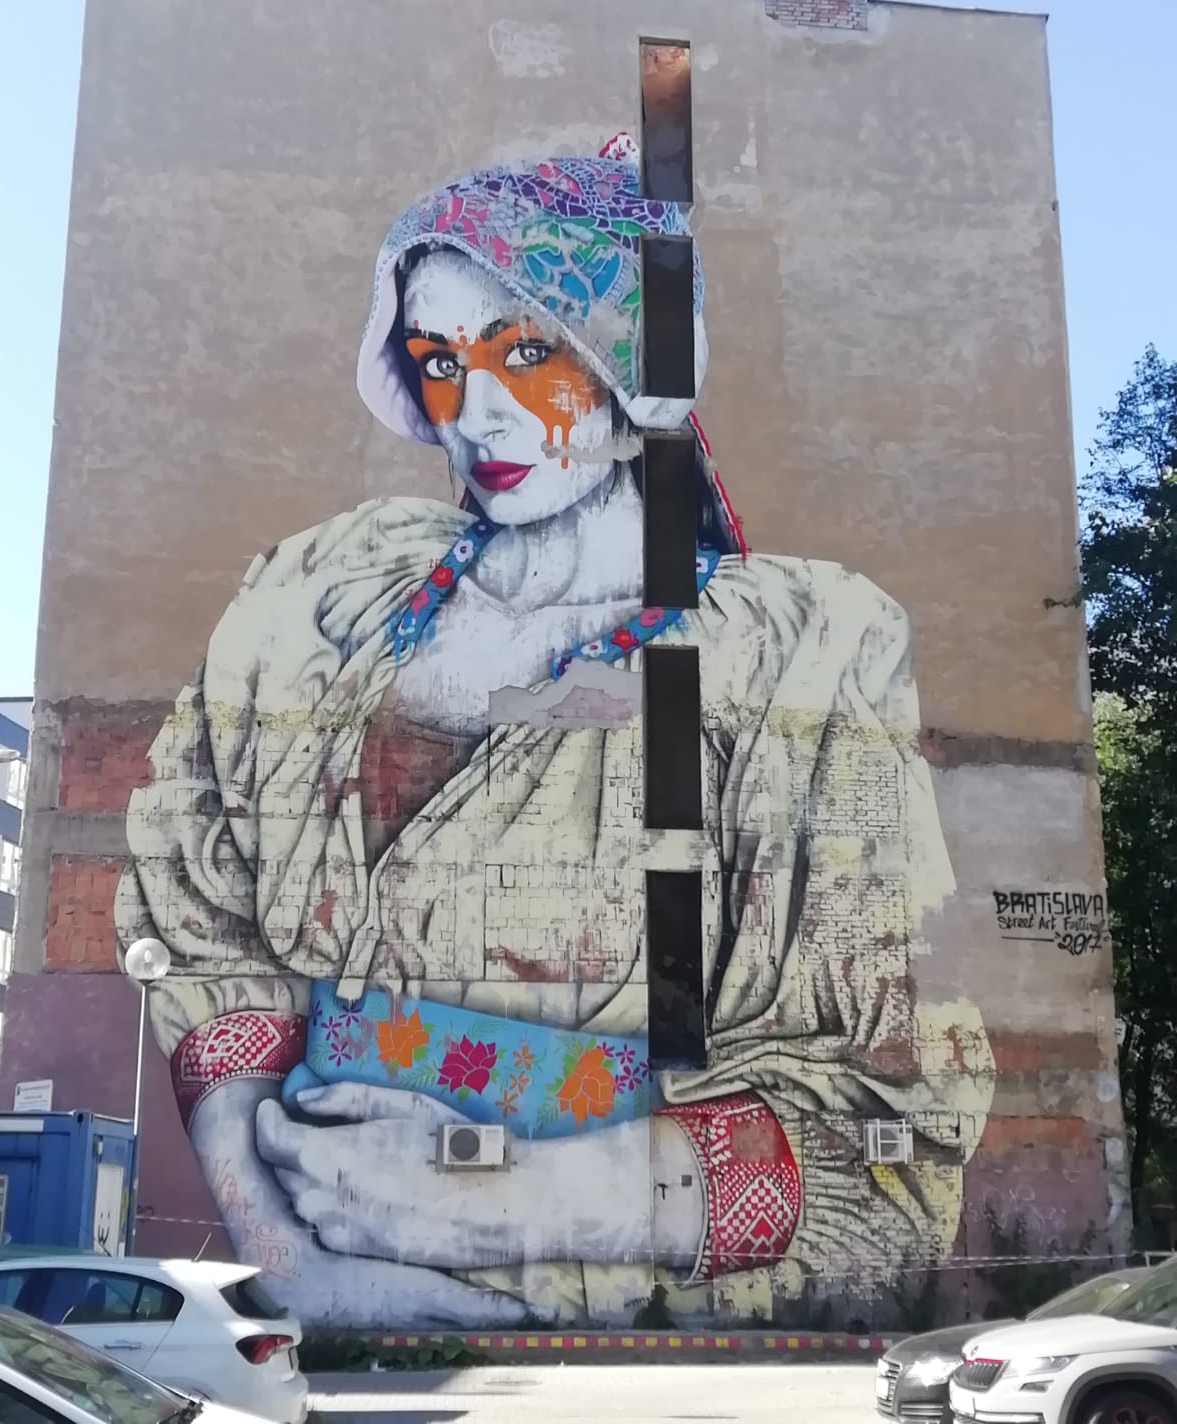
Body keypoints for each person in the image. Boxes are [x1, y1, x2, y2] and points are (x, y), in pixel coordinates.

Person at [116, 140, 995, 1329]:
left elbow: (891, 1131)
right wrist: (290, 1261)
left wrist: (515, 1204)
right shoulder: (323, 600)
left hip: (619, 1346)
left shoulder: (802, 652)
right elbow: (202, 919)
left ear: (631, 365)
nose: (475, 409)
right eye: (437, 361)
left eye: (524, 351)